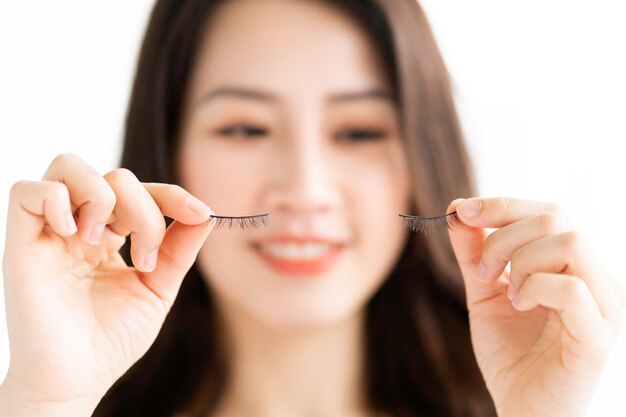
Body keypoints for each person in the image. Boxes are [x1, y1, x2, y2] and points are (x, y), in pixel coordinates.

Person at [1, 0, 624, 416]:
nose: (303, 188)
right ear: (167, 148)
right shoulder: (62, 400)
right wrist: (47, 398)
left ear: (423, 158)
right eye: (245, 129)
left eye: (358, 132)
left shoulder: (521, 400)